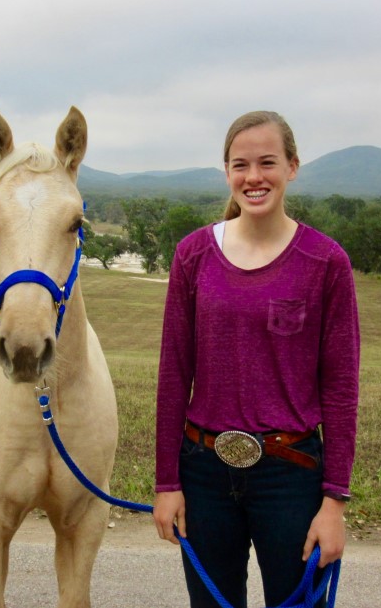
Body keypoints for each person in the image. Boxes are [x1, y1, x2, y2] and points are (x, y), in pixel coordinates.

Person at [152, 110, 360, 608]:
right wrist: (167, 483)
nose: (254, 177)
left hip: (290, 474)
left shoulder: (326, 262)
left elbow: (340, 386)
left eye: (267, 162)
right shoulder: (192, 255)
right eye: (240, 165)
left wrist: (333, 502)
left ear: (292, 166)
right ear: (227, 172)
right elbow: (174, 373)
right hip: (203, 471)